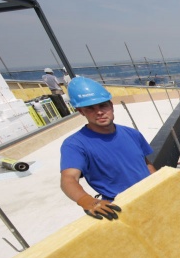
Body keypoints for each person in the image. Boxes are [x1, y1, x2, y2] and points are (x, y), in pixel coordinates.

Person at [60, 77, 156, 220]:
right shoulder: (75, 145)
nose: (99, 112)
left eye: (102, 106)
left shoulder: (132, 134)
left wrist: (161, 183)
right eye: (90, 108)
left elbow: (146, 164)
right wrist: (87, 201)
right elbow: (68, 179)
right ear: (81, 112)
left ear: (111, 106)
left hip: (152, 199)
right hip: (122, 209)